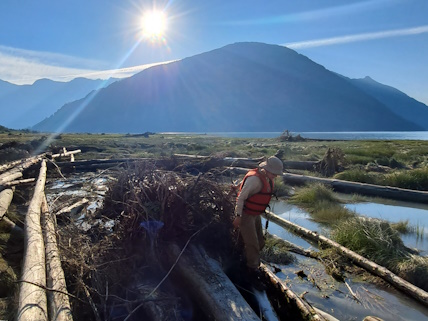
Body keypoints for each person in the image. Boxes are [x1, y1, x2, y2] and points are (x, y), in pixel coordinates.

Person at [233, 156, 284, 277]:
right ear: (266, 169)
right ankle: (252, 269)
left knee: (260, 242)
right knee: (253, 244)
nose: (276, 176)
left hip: (255, 214)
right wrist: (238, 216)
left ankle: (243, 257)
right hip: (246, 215)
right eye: (274, 173)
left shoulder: (266, 177)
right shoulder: (255, 180)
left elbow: (243, 184)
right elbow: (240, 198)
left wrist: (237, 185)